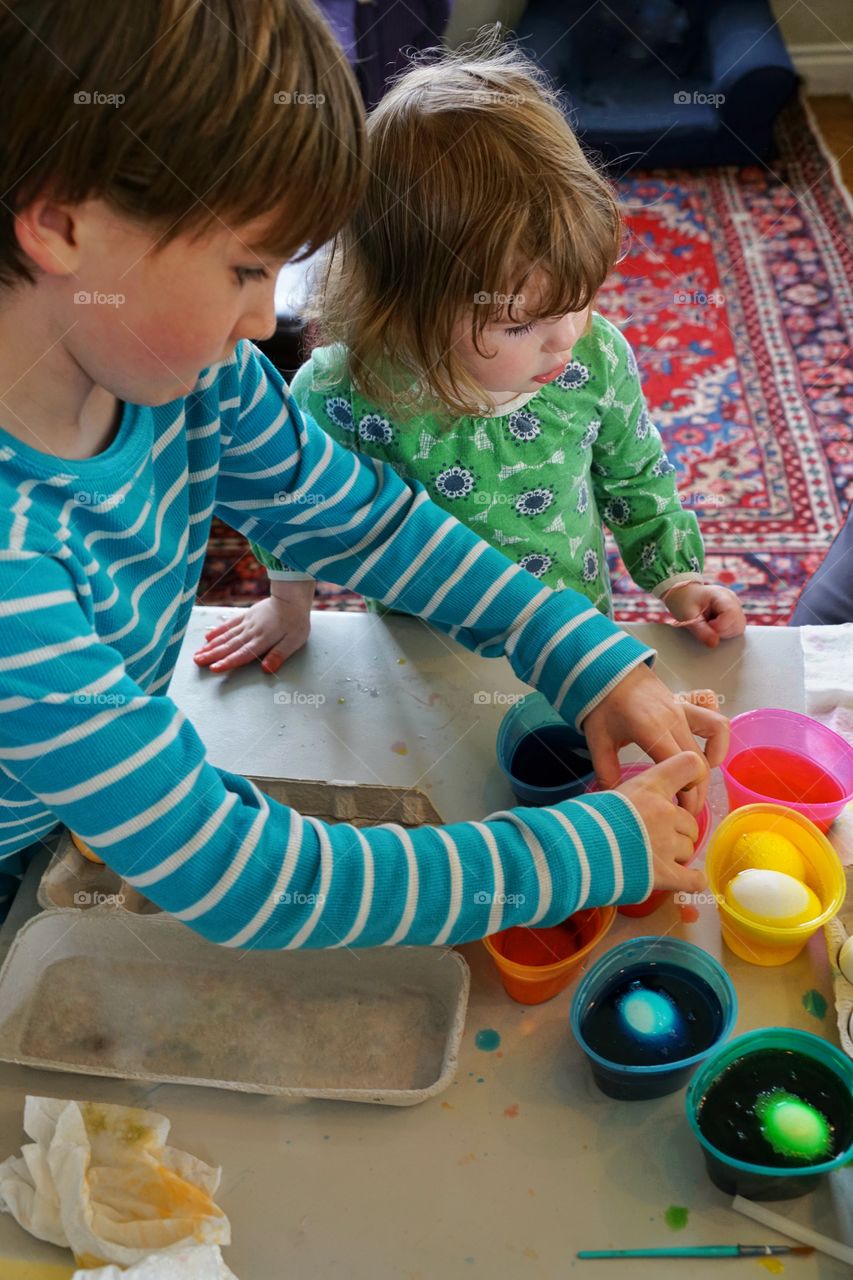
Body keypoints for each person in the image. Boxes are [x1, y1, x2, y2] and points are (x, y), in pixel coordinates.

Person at [0, 0, 726, 944]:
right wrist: (581, 849)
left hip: (74, 791)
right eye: (246, 268)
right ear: (62, 226)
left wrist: (584, 661)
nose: (266, 322)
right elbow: (235, 873)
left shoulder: (196, 379)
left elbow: (364, 524)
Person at [195, 41, 745, 689]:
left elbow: (635, 481)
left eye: (579, 300)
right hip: (422, 656)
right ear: (403, 308)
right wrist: (289, 605)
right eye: (518, 323)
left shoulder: (596, 355)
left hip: (571, 636)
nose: (565, 338)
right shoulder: (341, 389)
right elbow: (292, 502)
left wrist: (678, 577)